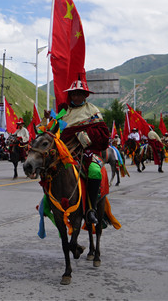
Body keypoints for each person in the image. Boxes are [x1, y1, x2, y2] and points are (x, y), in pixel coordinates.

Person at [58, 76, 110, 226]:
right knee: (50, 168)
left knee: (94, 171)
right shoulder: (64, 111)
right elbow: (54, 127)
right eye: (74, 93)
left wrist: (84, 137)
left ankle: (91, 209)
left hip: (87, 150)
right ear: (70, 95)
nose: (76, 96)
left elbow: (103, 133)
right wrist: (48, 118)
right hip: (66, 150)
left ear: (85, 95)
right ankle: (50, 203)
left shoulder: (92, 110)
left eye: (80, 93)